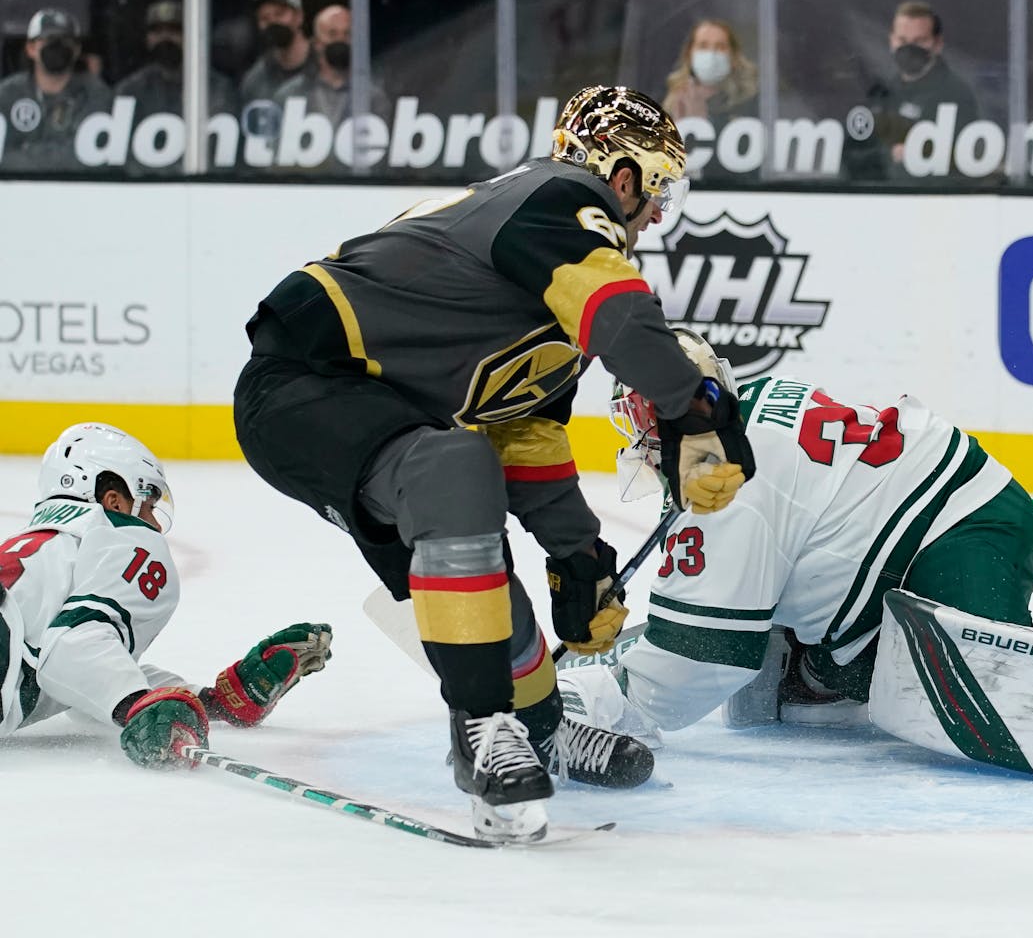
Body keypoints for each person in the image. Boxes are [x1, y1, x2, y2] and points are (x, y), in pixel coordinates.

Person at [232, 85, 757, 841]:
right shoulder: (558, 196)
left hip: (378, 414)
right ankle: (482, 732)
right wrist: (697, 406)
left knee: (471, 543)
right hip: (302, 383)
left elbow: (530, 442)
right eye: (659, 188)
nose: (659, 213)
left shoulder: (551, 287)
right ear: (622, 174)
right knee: (456, 473)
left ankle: (540, 725)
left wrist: (580, 556)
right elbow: (626, 320)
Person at [558, 330, 1033, 787]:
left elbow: (706, 651)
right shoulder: (743, 417)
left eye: (642, 416)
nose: (638, 434)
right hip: (908, 531)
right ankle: (811, 666)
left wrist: (615, 701)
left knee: (979, 687)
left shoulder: (728, 480)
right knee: (804, 679)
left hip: (960, 528)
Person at [0, 422, 332, 768]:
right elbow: (73, 652)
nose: (155, 525)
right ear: (113, 501)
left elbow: (70, 674)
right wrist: (137, 704)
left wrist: (209, 701)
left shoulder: (45, 550)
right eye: (147, 506)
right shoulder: (118, 535)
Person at [842, 0, 981, 182]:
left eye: (919, 41)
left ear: (937, 44)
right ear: (892, 41)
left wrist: (918, 153)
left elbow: (962, 163)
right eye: (902, 40)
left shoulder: (954, 94)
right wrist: (887, 155)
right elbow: (855, 152)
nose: (909, 48)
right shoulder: (882, 92)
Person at [0, 9, 113, 173]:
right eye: (49, 39)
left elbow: (84, 157)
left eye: (65, 40)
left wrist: (27, 151)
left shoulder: (95, 93)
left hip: (78, 189)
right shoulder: (8, 94)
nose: (57, 46)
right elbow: (4, 156)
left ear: (76, 50)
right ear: (31, 48)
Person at [273, 4, 390, 157]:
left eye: (347, 34)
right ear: (316, 44)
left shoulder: (374, 98)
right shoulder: (289, 96)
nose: (340, 40)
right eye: (332, 34)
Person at [115, 1, 239, 139]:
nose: (165, 37)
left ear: (189, 36)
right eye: (157, 31)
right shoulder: (130, 90)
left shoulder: (216, 87)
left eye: (174, 30)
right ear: (147, 39)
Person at [660, 19, 758, 180]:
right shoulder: (667, 102)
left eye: (720, 47)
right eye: (703, 46)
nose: (711, 54)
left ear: (733, 57)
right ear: (689, 54)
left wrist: (700, 124)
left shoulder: (750, 106)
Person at [239, 0, 315, 111]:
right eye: (265, 18)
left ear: (299, 16)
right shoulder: (255, 79)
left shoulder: (324, 66)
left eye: (279, 14)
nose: (273, 22)